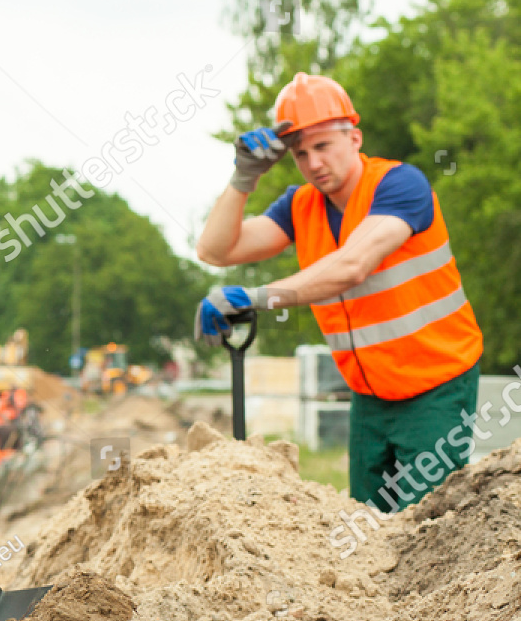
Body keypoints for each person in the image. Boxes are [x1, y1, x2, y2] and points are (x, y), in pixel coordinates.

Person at [195, 73, 482, 512]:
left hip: (436, 386)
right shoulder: (301, 206)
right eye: (300, 153)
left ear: (355, 138)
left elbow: (351, 265)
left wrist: (258, 298)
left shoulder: (400, 186)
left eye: (323, 146)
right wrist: (242, 179)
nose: (312, 163)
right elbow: (216, 249)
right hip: (369, 395)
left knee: (425, 526)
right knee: (364, 529)